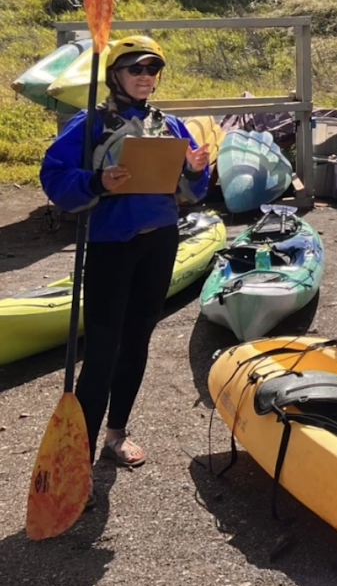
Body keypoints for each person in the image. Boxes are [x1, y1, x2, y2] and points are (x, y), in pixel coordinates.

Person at [40, 35, 210, 473]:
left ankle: (116, 434)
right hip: (111, 246)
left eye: (152, 70)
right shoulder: (90, 124)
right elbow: (55, 174)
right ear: (115, 74)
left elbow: (191, 192)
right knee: (101, 350)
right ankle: (77, 457)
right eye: (136, 69)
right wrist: (97, 182)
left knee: (137, 341)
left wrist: (195, 169)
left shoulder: (168, 125)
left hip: (159, 241)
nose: (145, 77)